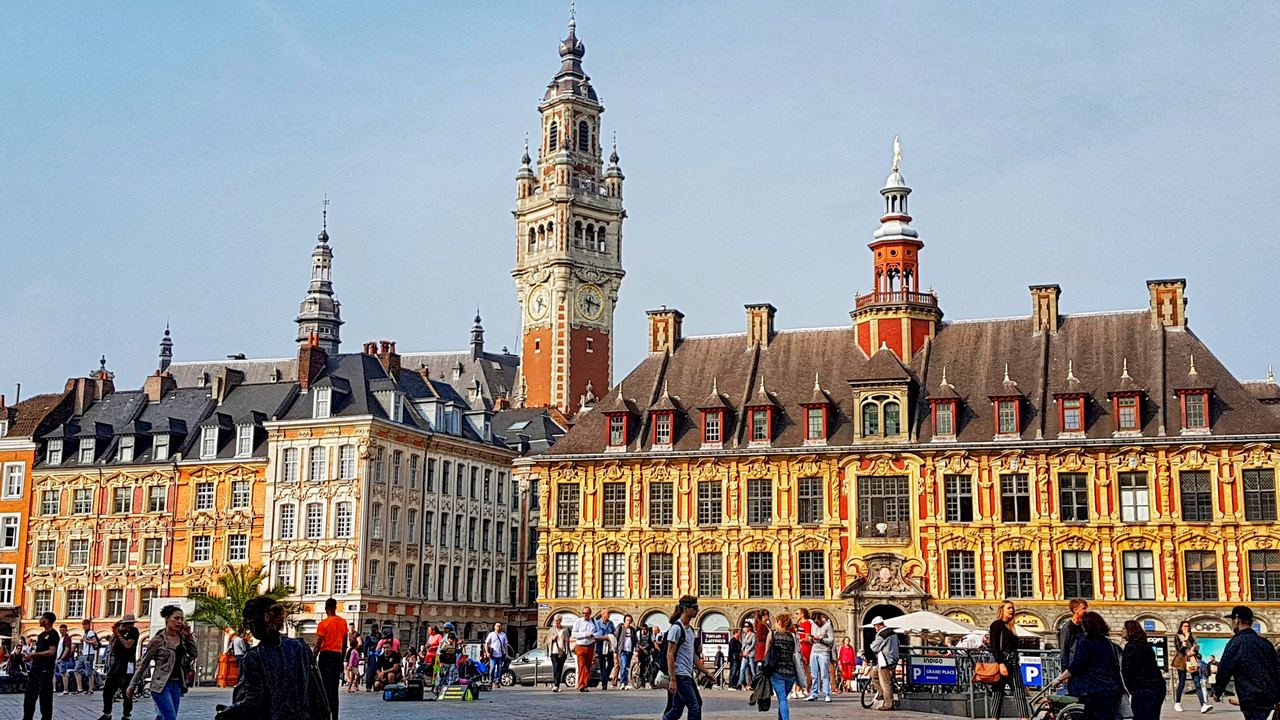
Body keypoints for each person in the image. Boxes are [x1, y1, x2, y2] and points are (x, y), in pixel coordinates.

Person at [214, 596, 328, 720]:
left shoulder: (254, 657)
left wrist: (226, 712)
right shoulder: (300, 647)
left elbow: (253, 702)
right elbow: (315, 691)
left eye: (248, 624)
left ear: (255, 624)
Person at [127, 605, 197, 720]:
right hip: (161, 685)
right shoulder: (158, 640)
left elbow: (194, 654)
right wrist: (132, 685)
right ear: (167, 619)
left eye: (181, 619)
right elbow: (144, 663)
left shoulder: (183, 638)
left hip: (177, 684)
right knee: (170, 717)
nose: (179, 622)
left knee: (164, 717)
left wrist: (189, 635)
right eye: (176, 618)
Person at [1050, 611, 1122, 720]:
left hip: (1093, 690)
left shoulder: (1086, 641)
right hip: (1111, 689)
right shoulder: (1107, 642)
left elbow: (1076, 665)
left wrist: (1059, 679)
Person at [1212, 606, 1280, 720]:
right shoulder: (1265, 643)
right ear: (1251, 622)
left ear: (1236, 621)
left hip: (1250, 697)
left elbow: (1224, 670)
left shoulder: (1236, 643)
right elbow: (1277, 670)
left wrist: (1217, 692)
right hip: (1268, 696)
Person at [662, 596, 713, 720]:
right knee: (695, 706)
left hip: (687, 675)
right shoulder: (676, 628)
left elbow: (693, 656)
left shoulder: (689, 630)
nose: (697, 610)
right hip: (680, 675)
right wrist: (673, 679)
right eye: (695, 607)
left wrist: (706, 672)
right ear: (686, 609)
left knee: (677, 709)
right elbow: (669, 654)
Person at [988, 601, 1030, 720]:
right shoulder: (996, 625)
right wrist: (1000, 663)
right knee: (998, 693)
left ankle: (1024, 718)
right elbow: (994, 646)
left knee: (1019, 691)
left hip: (1013, 662)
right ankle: (994, 718)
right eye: (1009, 608)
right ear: (1002, 610)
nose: (1012, 610)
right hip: (1001, 661)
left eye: (1013, 608)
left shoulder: (1011, 626)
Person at [762, 611, 807, 720]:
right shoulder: (793, 636)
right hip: (790, 673)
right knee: (783, 699)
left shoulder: (772, 635)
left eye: (776, 622)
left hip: (776, 672)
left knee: (782, 699)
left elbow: (766, 653)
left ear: (780, 622)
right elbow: (798, 652)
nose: (775, 624)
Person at [1120, 621, 1165, 720]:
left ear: (1130, 631)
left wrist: (1131, 689)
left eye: (1124, 629)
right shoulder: (1146, 646)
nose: (1122, 631)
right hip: (1158, 686)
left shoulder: (1130, 646)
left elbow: (1127, 671)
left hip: (1142, 688)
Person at [99, 614, 139, 720]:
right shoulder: (119, 633)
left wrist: (118, 634)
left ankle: (126, 715)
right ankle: (107, 713)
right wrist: (116, 635)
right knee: (108, 689)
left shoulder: (134, 632)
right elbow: (112, 648)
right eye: (126, 624)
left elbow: (128, 645)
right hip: (116, 663)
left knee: (127, 690)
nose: (128, 626)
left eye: (129, 624)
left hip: (128, 663)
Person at [22, 611, 59, 720]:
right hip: (36, 668)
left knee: (45, 696)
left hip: (46, 669)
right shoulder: (41, 635)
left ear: (47, 621)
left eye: (42, 618)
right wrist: (31, 657)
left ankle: (46, 717)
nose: (40, 620)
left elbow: (52, 652)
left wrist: (35, 654)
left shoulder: (53, 634)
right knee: (29, 695)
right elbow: (39, 651)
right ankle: (27, 717)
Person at [315, 598, 346, 720]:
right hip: (337, 655)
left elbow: (319, 643)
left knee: (324, 686)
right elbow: (344, 643)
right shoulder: (343, 622)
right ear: (335, 607)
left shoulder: (323, 624)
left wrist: (312, 657)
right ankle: (335, 716)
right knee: (334, 688)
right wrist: (342, 659)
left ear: (325, 608)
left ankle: (326, 714)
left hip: (325, 656)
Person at [1172, 620, 1209, 713]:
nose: (1186, 628)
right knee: (1182, 683)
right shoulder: (1178, 637)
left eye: (1188, 626)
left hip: (1192, 661)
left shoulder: (1192, 637)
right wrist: (1186, 639)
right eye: (1184, 626)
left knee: (1197, 683)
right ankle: (1177, 703)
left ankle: (1203, 705)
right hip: (1181, 662)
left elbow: (1196, 649)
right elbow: (1179, 649)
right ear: (1181, 627)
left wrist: (1194, 651)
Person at [1057, 599, 1088, 696]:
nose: (1086, 611)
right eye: (1083, 608)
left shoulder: (1083, 626)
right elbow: (1064, 650)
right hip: (1073, 668)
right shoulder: (1067, 628)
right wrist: (1065, 673)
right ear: (1075, 610)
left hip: (1082, 666)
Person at [869, 616, 900, 712]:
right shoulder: (893, 633)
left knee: (885, 682)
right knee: (873, 674)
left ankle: (888, 704)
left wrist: (872, 644)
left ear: (878, 626)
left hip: (885, 661)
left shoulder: (881, 634)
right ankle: (881, 693)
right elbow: (898, 643)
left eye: (875, 626)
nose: (874, 628)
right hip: (892, 659)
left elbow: (874, 647)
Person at [805, 612, 834, 703]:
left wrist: (821, 639)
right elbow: (812, 639)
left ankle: (827, 694)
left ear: (820, 618)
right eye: (814, 621)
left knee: (824, 674)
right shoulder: (813, 625)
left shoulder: (828, 626)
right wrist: (811, 639)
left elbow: (831, 640)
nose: (815, 623)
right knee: (814, 674)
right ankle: (814, 693)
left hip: (824, 652)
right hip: (814, 651)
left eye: (816, 621)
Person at [571, 606, 598, 692]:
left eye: (587, 613)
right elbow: (574, 634)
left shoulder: (594, 622)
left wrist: (593, 635)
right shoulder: (578, 621)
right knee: (581, 665)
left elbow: (599, 632)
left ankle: (585, 685)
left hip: (590, 645)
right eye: (583, 613)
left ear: (590, 614)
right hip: (580, 646)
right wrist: (585, 635)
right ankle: (580, 684)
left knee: (588, 666)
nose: (585, 615)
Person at [548, 615, 572, 693]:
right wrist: (552, 639)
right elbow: (548, 641)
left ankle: (556, 685)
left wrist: (566, 640)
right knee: (556, 667)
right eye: (555, 620)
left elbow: (568, 641)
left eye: (558, 620)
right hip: (554, 651)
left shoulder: (565, 630)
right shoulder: (551, 630)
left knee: (560, 668)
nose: (556, 622)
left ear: (560, 620)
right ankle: (556, 685)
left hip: (562, 651)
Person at [483, 622, 511, 688]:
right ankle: (490, 680)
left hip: (500, 655)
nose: (499, 627)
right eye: (498, 626)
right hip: (493, 655)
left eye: (500, 626)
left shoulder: (503, 635)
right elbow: (486, 643)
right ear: (494, 627)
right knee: (492, 668)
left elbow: (505, 645)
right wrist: (487, 652)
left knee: (500, 668)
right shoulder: (491, 634)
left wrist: (506, 654)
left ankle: (497, 681)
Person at [594, 610, 617, 690]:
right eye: (608, 613)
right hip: (601, 645)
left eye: (609, 613)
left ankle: (605, 678)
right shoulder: (597, 623)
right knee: (602, 665)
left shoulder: (611, 623)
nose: (609, 615)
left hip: (609, 645)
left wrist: (612, 637)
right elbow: (595, 636)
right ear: (603, 614)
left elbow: (614, 633)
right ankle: (604, 683)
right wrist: (605, 637)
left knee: (611, 664)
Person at [76, 619, 99, 694]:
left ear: (89, 625)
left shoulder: (90, 632)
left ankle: (91, 689)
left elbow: (94, 641)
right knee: (76, 670)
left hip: (89, 654)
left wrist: (86, 641)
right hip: (84, 654)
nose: (84, 626)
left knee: (89, 672)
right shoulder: (85, 633)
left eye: (85, 624)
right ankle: (79, 688)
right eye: (83, 624)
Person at [617, 614, 638, 690]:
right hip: (622, 650)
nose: (628, 622)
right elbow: (615, 638)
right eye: (627, 620)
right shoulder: (620, 628)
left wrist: (636, 650)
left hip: (630, 651)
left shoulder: (632, 630)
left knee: (626, 667)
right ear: (624, 621)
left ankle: (625, 683)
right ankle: (622, 683)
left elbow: (636, 641)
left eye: (630, 620)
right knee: (624, 666)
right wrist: (615, 650)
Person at [56, 624, 74, 695]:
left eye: (63, 630)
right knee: (63, 673)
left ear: (66, 630)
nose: (62, 631)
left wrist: (62, 657)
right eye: (60, 630)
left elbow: (67, 648)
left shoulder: (67, 638)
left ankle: (65, 690)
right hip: (59, 657)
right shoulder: (61, 638)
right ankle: (64, 689)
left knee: (64, 674)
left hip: (62, 658)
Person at [739, 622, 757, 690]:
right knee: (742, 669)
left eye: (746, 626)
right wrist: (742, 651)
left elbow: (753, 644)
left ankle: (755, 684)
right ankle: (740, 684)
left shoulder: (753, 635)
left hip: (751, 654)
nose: (745, 628)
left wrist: (748, 651)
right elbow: (743, 644)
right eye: (744, 626)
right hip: (744, 654)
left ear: (750, 627)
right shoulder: (744, 635)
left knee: (753, 670)